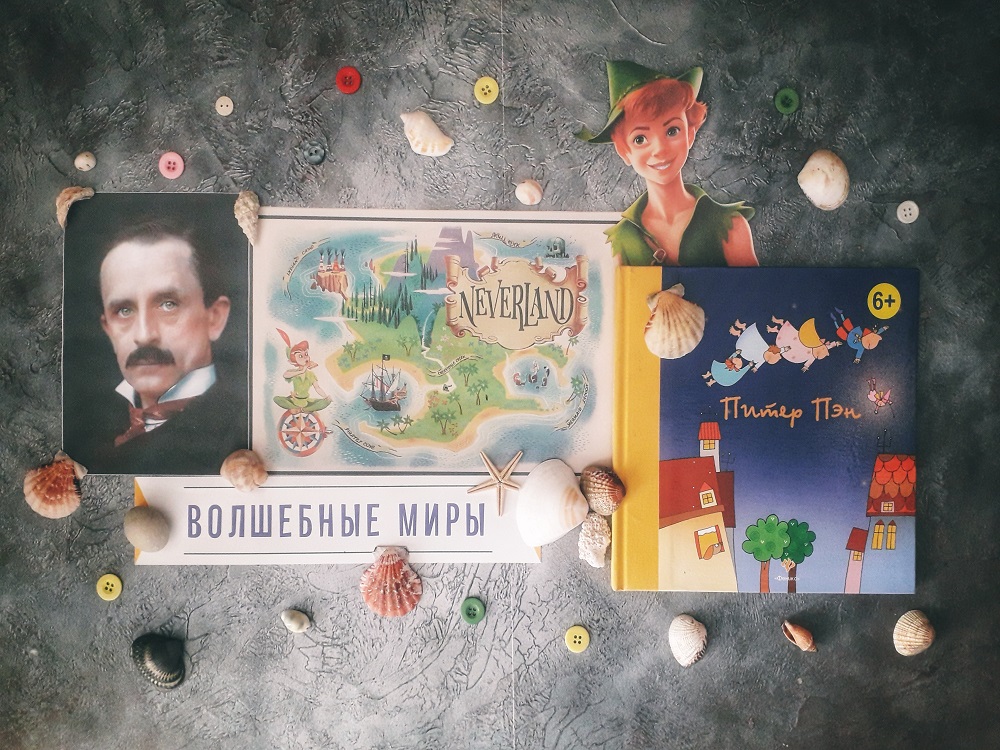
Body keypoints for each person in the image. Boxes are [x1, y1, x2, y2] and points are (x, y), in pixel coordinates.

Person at [94, 220, 247, 473]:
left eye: (168, 305)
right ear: (108, 330)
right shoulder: (90, 431)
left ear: (215, 318)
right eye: (124, 311)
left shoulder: (245, 429)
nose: (144, 335)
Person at [578, 61, 758, 267]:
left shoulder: (729, 226)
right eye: (640, 139)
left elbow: (755, 288)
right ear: (624, 151)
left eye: (672, 131)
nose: (660, 150)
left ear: (690, 135)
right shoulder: (623, 239)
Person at [273, 329, 331, 413]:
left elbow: (317, 387)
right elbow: (285, 375)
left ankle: (304, 409)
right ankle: (298, 408)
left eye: (306, 354)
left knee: (326, 401)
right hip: (294, 400)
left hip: (306, 401)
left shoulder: (311, 374)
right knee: (277, 399)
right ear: (293, 361)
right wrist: (301, 371)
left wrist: (325, 396)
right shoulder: (294, 372)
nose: (305, 357)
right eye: (300, 356)